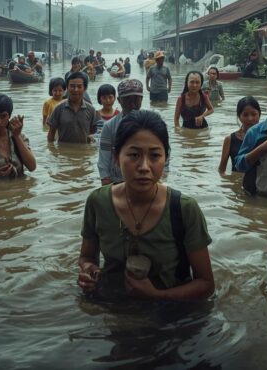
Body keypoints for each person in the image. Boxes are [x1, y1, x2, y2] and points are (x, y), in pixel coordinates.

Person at [78, 110, 214, 300]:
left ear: (166, 158)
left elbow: (206, 284)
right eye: (134, 155)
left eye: (155, 156)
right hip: (112, 309)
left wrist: (157, 295)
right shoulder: (98, 202)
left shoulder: (184, 209)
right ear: (116, 157)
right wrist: (89, 271)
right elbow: (86, 257)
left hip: (169, 319)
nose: (144, 167)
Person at [98, 79, 144, 185]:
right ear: (119, 100)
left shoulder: (152, 122)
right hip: (118, 179)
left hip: (145, 176)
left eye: (136, 99)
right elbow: (104, 155)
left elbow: (163, 150)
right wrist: (105, 178)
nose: (132, 104)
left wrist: (162, 173)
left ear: (142, 99)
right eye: (127, 99)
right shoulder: (109, 126)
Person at [48, 72, 101, 144]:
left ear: (85, 88)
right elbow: (51, 134)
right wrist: (52, 152)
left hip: (84, 153)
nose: (76, 89)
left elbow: (95, 133)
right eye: (72, 86)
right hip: (63, 153)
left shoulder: (91, 110)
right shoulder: (58, 108)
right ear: (67, 87)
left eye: (79, 86)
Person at [218, 96, 261, 173]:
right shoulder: (230, 139)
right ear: (239, 117)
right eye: (245, 115)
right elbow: (221, 170)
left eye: (254, 114)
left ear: (259, 114)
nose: (250, 118)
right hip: (236, 182)